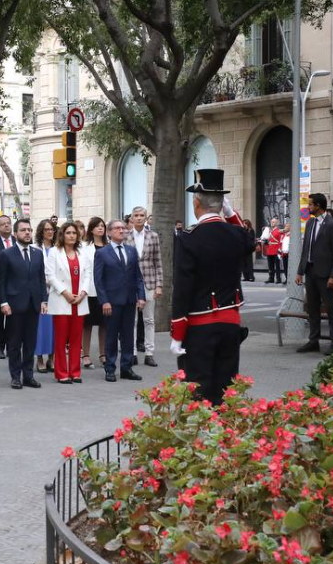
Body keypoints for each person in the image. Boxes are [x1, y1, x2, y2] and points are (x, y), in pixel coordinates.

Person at [169, 170, 256, 405]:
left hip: (199, 326)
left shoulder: (188, 237)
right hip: (230, 325)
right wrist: (230, 213)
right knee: (226, 389)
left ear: (196, 202)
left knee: (198, 390)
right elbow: (250, 241)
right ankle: (225, 438)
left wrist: (177, 334)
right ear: (221, 204)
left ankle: (201, 439)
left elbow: (182, 288)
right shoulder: (237, 233)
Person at [0, 218, 47, 389]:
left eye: (29, 230)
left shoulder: (38, 253)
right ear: (15, 233)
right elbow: (1, 281)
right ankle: (15, 376)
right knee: (15, 343)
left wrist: (43, 300)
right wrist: (3, 302)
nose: (27, 233)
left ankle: (28, 376)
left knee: (30, 342)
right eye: (23, 230)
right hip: (14, 305)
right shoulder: (6, 254)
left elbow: (41, 279)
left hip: (33, 305)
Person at [94, 219, 146, 382]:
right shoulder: (102, 253)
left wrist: (141, 296)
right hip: (112, 301)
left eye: (123, 228)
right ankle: (110, 368)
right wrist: (104, 301)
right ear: (109, 232)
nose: (122, 231)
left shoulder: (131, 251)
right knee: (111, 335)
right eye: (117, 228)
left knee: (128, 335)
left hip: (129, 300)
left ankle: (126, 367)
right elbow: (98, 279)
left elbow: (138, 276)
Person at [294, 193, 333, 354]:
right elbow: (306, 249)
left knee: (330, 308)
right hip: (310, 271)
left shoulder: (332, 225)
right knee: (312, 308)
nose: (308, 207)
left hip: (325, 274)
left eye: (310, 204)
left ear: (318, 206)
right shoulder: (310, 223)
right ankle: (313, 340)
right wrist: (300, 271)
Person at [46, 222, 91, 383]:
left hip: (79, 300)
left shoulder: (83, 252)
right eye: (68, 233)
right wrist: (65, 293)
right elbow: (50, 275)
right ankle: (62, 373)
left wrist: (83, 293)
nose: (72, 235)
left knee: (76, 339)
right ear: (62, 235)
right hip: (61, 300)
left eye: (74, 233)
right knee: (60, 338)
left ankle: (75, 371)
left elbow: (87, 275)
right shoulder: (54, 252)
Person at [123, 206, 162, 367]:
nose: (139, 218)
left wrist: (159, 285)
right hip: (130, 283)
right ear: (131, 218)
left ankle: (149, 353)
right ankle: (131, 353)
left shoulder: (153, 236)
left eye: (142, 215)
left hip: (150, 282)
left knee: (149, 319)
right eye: (136, 215)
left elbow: (158, 262)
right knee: (131, 319)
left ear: (146, 218)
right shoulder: (125, 236)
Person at [80, 217, 108, 370]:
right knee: (87, 324)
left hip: (106, 292)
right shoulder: (84, 247)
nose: (100, 228)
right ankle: (86, 355)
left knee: (105, 324)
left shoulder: (109, 246)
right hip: (89, 291)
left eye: (102, 226)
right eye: (97, 226)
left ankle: (103, 354)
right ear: (91, 229)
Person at [33, 219, 57, 373]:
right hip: (40, 293)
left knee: (55, 327)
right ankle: (40, 358)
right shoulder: (35, 249)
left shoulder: (58, 249)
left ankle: (52, 358)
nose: (49, 232)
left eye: (52, 229)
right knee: (41, 327)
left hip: (56, 292)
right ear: (41, 231)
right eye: (46, 229)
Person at [0, 215, 15, 361]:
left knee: (13, 317)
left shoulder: (16, 240)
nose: (6, 226)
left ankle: (11, 346)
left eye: (8, 223)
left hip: (14, 284)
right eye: (3, 224)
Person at [260, 218, 283, 284]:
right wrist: (265, 242)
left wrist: (280, 250)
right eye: (271, 222)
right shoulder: (269, 231)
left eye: (273, 222)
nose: (272, 223)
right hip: (269, 250)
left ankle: (278, 279)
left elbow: (280, 241)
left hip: (276, 250)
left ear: (276, 223)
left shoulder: (279, 231)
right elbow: (266, 240)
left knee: (277, 266)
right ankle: (271, 278)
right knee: (270, 266)